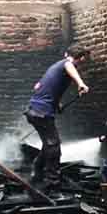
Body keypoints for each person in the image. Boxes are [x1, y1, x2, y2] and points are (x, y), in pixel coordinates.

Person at [25, 45, 91, 189]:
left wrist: (57, 104)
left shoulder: (55, 67)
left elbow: (41, 87)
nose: (83, 63)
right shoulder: (66, 64)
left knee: (49, 144)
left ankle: (37, 170)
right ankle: (52, 181)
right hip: (41, 113)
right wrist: (80, 83)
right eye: (84, 59)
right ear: (81, 58)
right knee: (54, 146)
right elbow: (69, 66)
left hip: (35, 111)